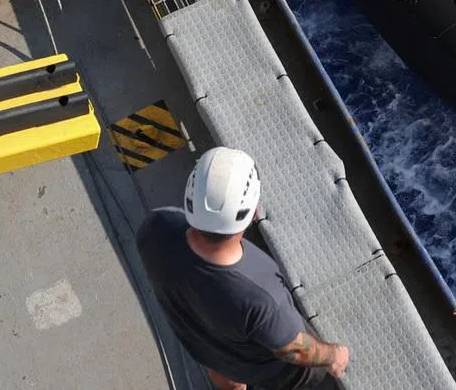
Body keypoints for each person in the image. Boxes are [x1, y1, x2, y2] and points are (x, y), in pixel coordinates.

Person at [137, 147, 350, 390]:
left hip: (204, 347)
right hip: (263, 371)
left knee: (223, 372)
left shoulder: (156, 227)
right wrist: (333, 355)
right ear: (252, 213)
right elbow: (296, 351)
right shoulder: (260, 297)